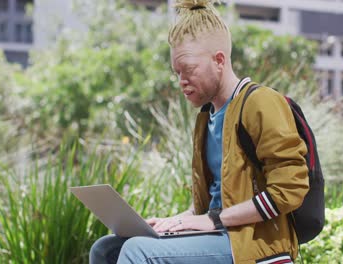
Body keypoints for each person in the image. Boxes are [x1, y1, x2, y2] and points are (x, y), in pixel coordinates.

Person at [89, 0, 309, 263]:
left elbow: (290, 190)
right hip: (221, 236)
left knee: (138, 251)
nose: (182, 80)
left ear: (219, 60)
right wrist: (177, 221)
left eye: (189, 69)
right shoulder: (207, 117)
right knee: (105, 250)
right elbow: (214, 203)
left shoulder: (260, 102)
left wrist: (212, 220)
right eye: (177, 72)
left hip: (255, 245)